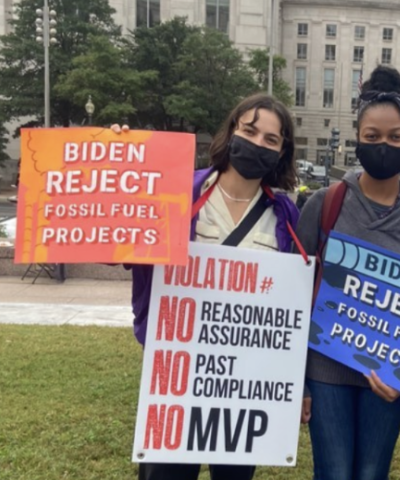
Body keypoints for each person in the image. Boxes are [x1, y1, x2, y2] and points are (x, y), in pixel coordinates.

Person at [114, 93, 302, 480]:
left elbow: (294, 299)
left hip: (245, 381)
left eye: (271, 140)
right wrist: (118, 159)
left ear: (282, 152)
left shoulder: (286, 216)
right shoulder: (175, 191)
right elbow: (114, 247)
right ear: (232, 129)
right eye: (250, 131)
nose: (257, 144)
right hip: (176, 377)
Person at [295, 65, 400, 480]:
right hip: (326, 371)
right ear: (357, 138)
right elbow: (293, 297)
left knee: (370, 474)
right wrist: (299, 382)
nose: (384, 145)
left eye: (396, 137)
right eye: (373, 137)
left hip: (390, 376)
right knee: (334, 473)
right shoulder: (324, 205)